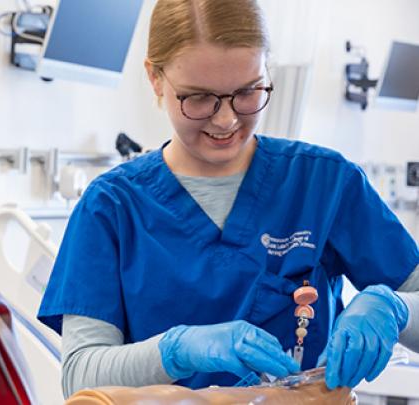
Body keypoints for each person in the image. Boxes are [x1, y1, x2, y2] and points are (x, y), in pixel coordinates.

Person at [38, 0, 419, 399]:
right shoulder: (112, 208)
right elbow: (80, 377)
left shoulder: (325, 183)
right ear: (155, 78)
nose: (226, 121)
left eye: (247, 92)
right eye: (199, 98)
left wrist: (395, 309)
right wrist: (176, 351)